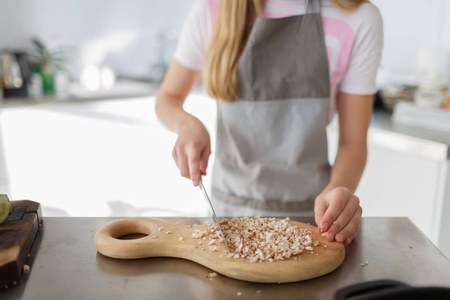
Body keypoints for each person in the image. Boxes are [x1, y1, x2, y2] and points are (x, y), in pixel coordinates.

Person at [155, 0, 383, 245]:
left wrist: (337, 192)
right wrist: (188, 125)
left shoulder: (360, 18)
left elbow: (353, 143)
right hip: (227, 217)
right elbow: (168, 99)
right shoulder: (214, 8)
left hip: (314, 222)